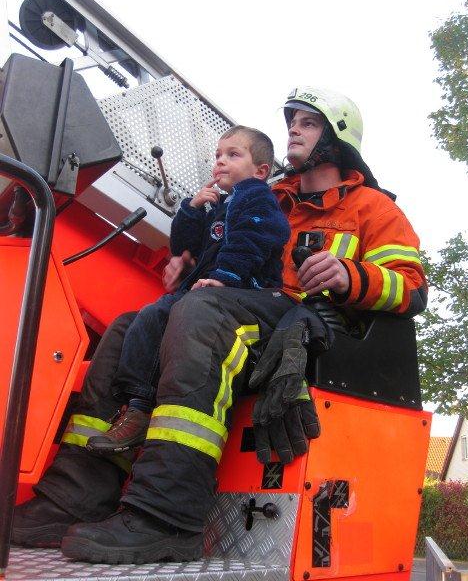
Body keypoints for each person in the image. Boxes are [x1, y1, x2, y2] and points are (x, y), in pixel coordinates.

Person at [12, 87, 427, 565]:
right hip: (243, 307)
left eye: (309, 123)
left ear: (339, 137)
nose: (293, 130)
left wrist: (348, 275)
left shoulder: (374, 208)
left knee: (203, 313)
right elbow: (223, 251)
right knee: (128, 329)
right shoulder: (268, 197)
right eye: (291, 122)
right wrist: (187, 264)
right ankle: (73, 500)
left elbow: (412, 288)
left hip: (298, 326)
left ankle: (166, 518)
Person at [84, 125, 290, 454]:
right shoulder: (222, 205)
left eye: (233, 155)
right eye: (218, 155)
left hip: (244, 291)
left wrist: (225, 278)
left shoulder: (256, 197)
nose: (220, 161)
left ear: (260, 171)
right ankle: (131, 407)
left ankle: (140, 407)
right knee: (142, 318)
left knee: (158, 314)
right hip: (206, 288)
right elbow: (184, 247)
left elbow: (250, 242)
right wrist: (191, 210)